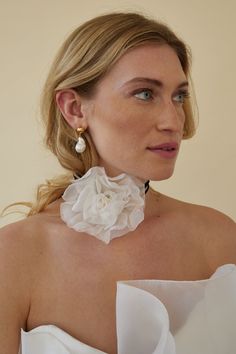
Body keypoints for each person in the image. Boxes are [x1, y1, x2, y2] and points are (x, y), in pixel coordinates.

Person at [0, 12, 235, 354]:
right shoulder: (14, 257)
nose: (173, 121)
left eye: (179, 96)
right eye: (144, 94)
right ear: (75, 108)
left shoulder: (219, 239)